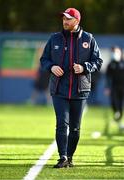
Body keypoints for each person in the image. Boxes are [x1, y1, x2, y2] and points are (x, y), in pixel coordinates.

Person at [40, 8, 103, 168]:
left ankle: (69, 157)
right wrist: (51, 67)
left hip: (80, 90)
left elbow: (98, 61)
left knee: (75, 128)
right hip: (59, 89)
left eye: (68, 19)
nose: (65, 21)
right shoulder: (54, 38)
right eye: (63, 19)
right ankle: (62, 157)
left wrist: (84, 67)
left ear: (77, 21)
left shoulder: (89, 39)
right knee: (62, 123)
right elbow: (44, 59)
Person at [105, 46, 124, 130]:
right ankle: (117, 114)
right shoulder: (110, 64)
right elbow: (108, 77)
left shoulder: (123, 62)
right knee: (114, 102)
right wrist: (107, 87)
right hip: (114, 86)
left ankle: (119, 118)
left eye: (116, 52)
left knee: (120, 104)